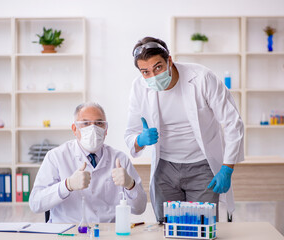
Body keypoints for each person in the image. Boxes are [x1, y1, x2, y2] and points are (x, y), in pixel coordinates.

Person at [124, 37, 244, 222]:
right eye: (145, 72)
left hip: (202, 166)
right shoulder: (139, 87)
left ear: (169, 61)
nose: (153, 76)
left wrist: (227, 168)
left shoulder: (202, 78)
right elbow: (131, 132)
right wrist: (140, 140)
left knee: (203, 226)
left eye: (158, 67)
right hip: (164, 168)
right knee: (167, 227)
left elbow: (233, 123)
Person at [29, 102, 147, 223]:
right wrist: (67, 185)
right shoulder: (56, 156)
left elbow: (140, 209)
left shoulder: (120, 159)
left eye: (99, 123)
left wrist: (130, 185)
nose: (93, 129)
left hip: (107, 232)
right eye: (85, 123)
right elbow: (35, 203)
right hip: (67, 230)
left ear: (106, 129)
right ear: (75, 129)